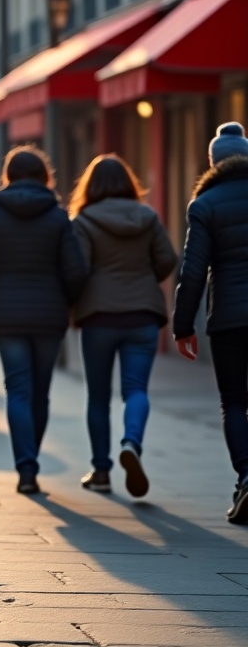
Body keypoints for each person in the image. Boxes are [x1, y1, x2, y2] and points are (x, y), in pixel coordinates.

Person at [0, 146, 88, 494]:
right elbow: (76, 271)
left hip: (7, 313)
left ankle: (26, 468)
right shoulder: (57, 215)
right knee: (40, 392)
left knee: (17, 389)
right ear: (43, 176)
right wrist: (64, 301)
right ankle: (31, 457)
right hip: (49, 314)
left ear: (8, 174)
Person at [70, 155, 177, 498]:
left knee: (98, 397)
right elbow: (167, 260)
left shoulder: (84, 220)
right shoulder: (147, 217)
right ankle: (132, 442)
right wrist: (143, 281)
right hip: (143, 314)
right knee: (136, 389)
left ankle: (101, 471)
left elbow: (79, 270)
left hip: (99, 316)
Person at [173, 122, 248, 523]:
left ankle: (246, 478)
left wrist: (183, 325)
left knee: (234, 401)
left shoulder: (205, 203)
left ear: (213, 162)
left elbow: (193, 271)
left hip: (229, 318)